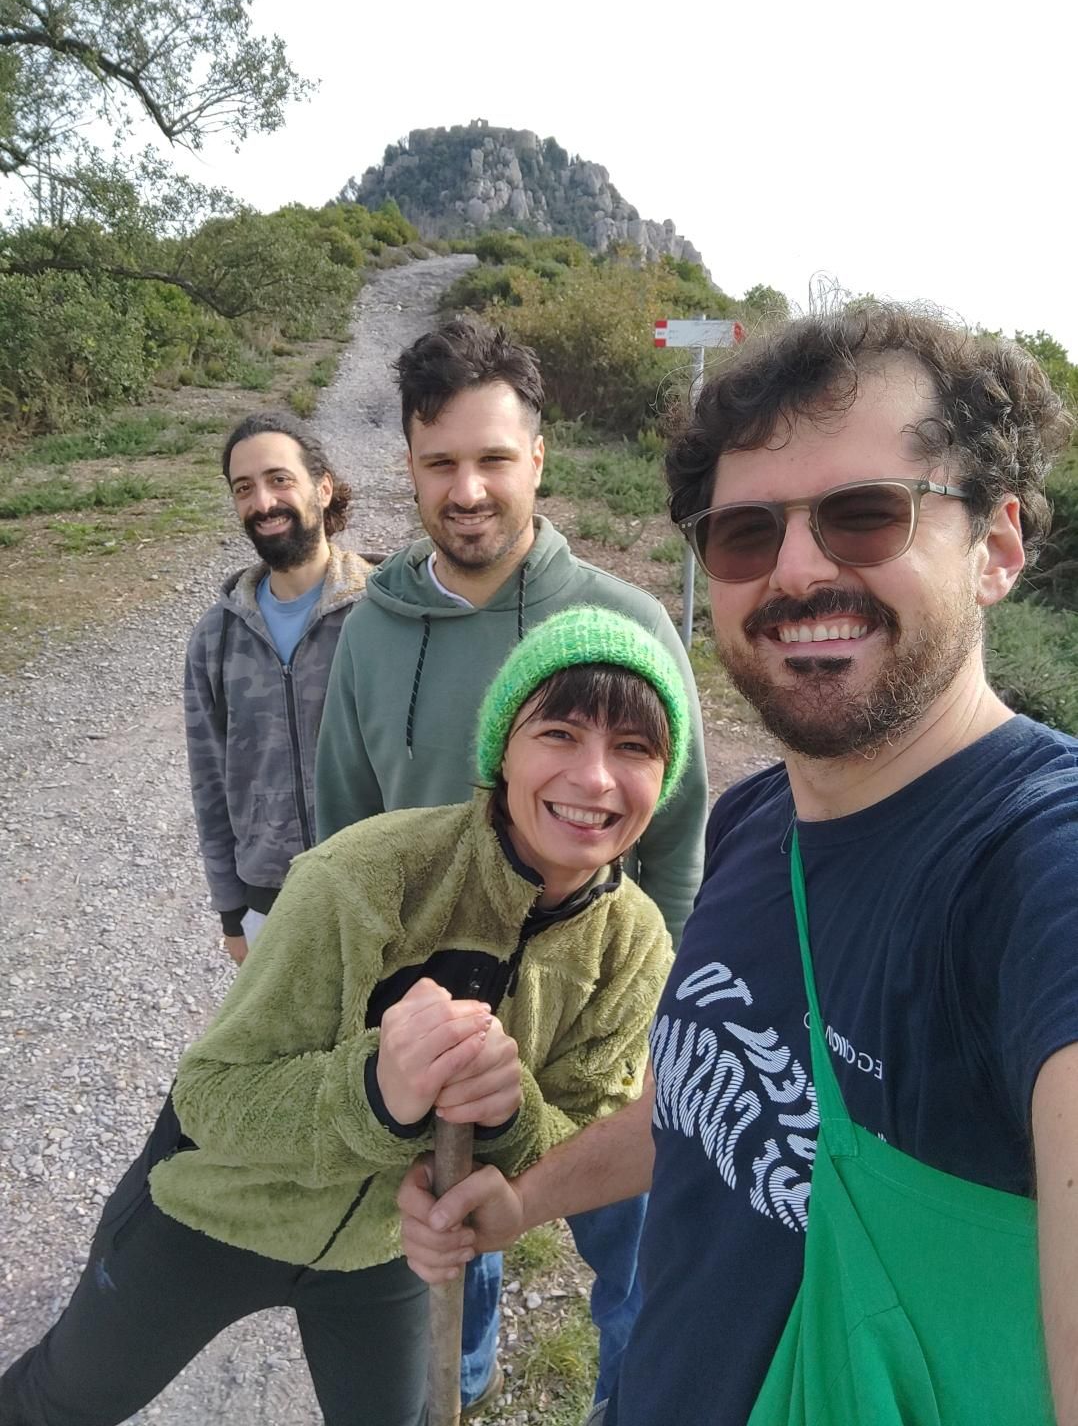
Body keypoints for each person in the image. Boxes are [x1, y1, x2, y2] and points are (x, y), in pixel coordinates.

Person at [398, 307, 1078, 1426]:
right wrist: (514, 1203)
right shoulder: (757, 823)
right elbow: (695, 1113)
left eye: (865, 516)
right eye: (745, 534)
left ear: (995, 547)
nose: (797, 569)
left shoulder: (1033, 865)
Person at [0, 606, 688, 1426]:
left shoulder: (636, 944)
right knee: (63, 1401)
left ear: (666, 777)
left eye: (635, 748)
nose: (596, 779)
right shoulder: (365, 876)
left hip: (386, 1254)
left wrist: (509, 1115)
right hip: (218, 1212)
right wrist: (374, 1089)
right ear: (503, 749)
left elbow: (581, 1141)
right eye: (561, 734)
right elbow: (212, 1095)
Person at [314, 318, 709, 1410]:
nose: (469, 488)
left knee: (638, 1275)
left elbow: (676, 839)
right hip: (440, 1027)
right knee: (454, 1258)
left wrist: (645, 1016)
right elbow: (341, 830)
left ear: (538, 457)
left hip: (595, 1025)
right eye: (441, 462)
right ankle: (469, 1385)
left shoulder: (622, 624)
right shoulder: (371, 634)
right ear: (408, 465)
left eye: (494, 458)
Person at [185, 411, 369, 965]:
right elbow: (211, 785)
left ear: (322, 487)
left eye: (279, 479)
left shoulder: (383, 613)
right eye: (245, 489)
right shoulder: (215, 638)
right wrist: (231, 913)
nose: (263, 502)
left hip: (380, 893)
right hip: (270, 905)